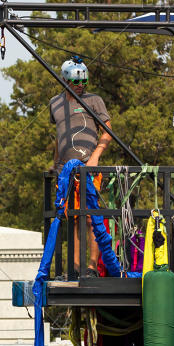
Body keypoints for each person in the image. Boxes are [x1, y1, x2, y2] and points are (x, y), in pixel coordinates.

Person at [49, 57, 113, 274]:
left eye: (83, 82)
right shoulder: (55, 104)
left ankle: (92, 266)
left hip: (88, 166)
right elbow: (59, 137)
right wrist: (56, 164)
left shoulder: (93, 100)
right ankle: (75, 267)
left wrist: (96, 156)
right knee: (74, 218)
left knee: (91, 217)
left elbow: (108, 131)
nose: (80, 86)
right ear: (65, 81)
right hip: (67, 170)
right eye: (76, 82)